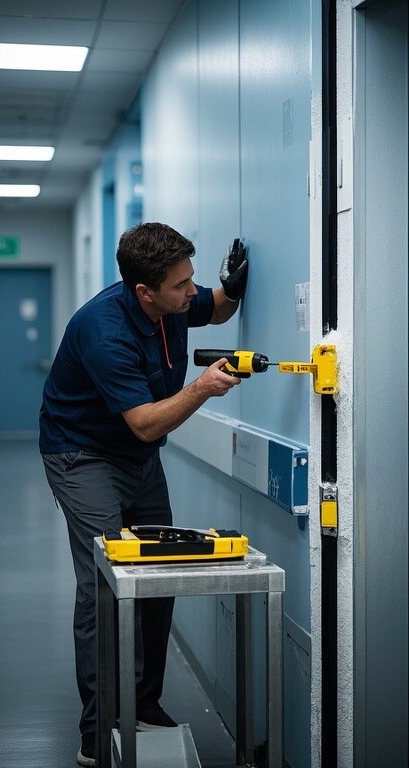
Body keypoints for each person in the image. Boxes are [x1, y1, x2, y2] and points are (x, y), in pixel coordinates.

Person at [39, 222, 248, 767]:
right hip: (82, 455)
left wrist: (233, 286)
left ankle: (141, 704)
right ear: (144, 292)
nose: (191, 291)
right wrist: (202, 387)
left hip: (137, 458)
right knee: (106, 584)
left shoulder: (171, 298)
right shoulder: (103, 331)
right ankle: (97, 730)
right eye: (182, 285)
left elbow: (216, 308)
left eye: (192, 279)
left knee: (159, 571)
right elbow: (146, 423)